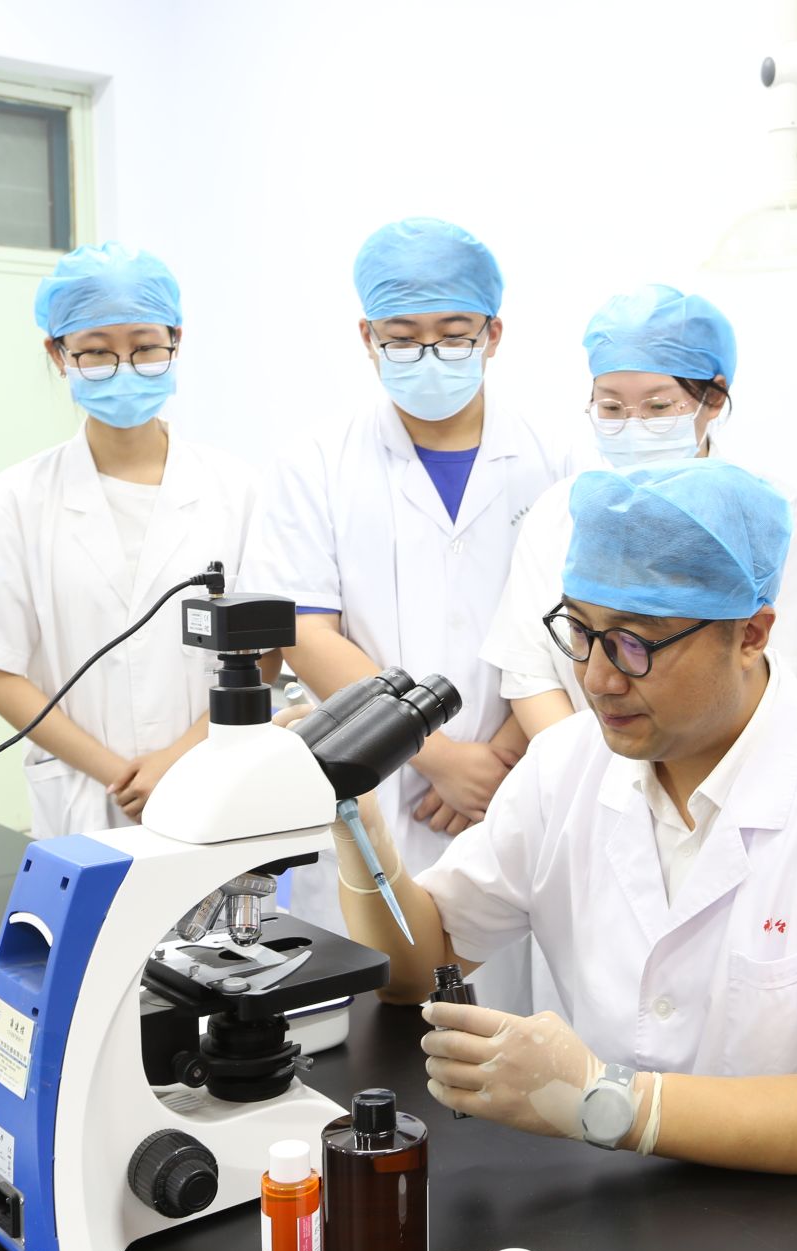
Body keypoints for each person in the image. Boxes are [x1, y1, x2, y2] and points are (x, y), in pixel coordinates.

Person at [313, 460, 797, 1230]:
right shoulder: (566, 766)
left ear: (751, 633)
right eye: (581, 632)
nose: (598, 678)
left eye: (636, 643)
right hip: (635, 1211)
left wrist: (610, 1100)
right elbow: (417, 967)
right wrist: (358, 827)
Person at [245, 218, 582, 1006]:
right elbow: (305, 630)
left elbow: (570, 626)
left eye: (454, 334)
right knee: (367, 1018)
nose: (429, 355)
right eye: (403, 337)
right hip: (375, 781)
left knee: (512, 1023)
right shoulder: (315, 463)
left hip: (515, 781)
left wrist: (499, 760)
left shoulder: (558, 456)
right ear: (367, 338)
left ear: (493, 333)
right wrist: (437, 755)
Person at [0, 243, 260, 837]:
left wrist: (177, 760)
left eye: (145, 347)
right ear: (58, 354)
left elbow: (265, 650)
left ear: (176, 342)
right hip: (84, 795)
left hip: (212, 780)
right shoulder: (15, 501)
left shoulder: (237, 490)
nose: (124, 367)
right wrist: (120, 776)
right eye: (97, 352)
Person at [480, 284, 797, 739]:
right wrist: (593, 769)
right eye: (610, 406)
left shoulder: (778, 515)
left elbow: (785, 674)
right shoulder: (559, 510)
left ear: (714, 398)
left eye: (658, 406)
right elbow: (529, 671)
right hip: (584, 762)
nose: (633, 423)